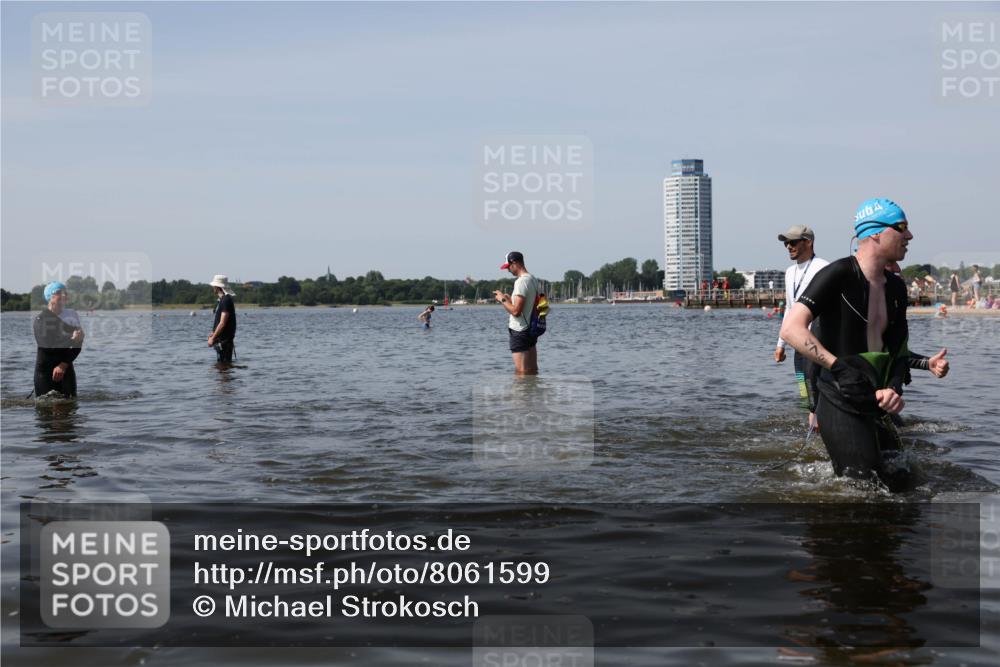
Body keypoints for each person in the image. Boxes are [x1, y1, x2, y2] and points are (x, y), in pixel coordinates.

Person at [780, 198, 917, 491]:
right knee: (864, 488)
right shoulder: (838, 274)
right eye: (902, 228)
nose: (909, 236)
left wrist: (894, 387)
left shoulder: (896, 287)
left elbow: (898, 347)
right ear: (876, 232)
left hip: (877, 399)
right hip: (838, 396)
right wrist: (837, 367)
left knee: (903, 480)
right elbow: (791, 329)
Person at [774, 225, 829, 431]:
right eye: (786, 243)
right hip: (796, 340)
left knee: (815, 381)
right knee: (802, 383)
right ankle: (812, 417)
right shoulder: (789, 273)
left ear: (808, 242)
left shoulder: (824, 267)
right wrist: (781, 344)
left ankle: (822, 419)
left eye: (793, 242)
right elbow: (790, 309)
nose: (789, 246)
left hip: (818, 338)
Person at [33, 281, 84, 398]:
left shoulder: (71, 315)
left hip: (66, 368)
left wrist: (64, 364)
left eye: (65, 292)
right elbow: (47, 346)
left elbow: (79, 342)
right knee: (47, 411)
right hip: (45, 372)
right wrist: (72, 339)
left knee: (70, 408)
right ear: (49, 297)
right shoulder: (41, 319)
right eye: (59, 292)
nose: (64, 295)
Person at [494, 251, 539, 375]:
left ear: (515, 263)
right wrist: (509, 300)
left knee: (521, 373)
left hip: (520, 332)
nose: (508, 270)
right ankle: (533, 394)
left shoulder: (521, 282)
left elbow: (516, 311)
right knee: (532, 371)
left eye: (508, 267)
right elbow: (527, 307)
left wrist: (502, 299)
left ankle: (521, 394)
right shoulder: (533, 279)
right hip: (531, 330)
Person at [207, 275, 237, 364]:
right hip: (221, 341)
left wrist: (213, 338)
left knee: (224, 370)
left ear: (217, 287)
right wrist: (213, 334)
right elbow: (219, 322)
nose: (213, 287)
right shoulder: (222, 300)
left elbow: (223, 323)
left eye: (214, 286)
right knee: (222, 369)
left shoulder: (226, 300)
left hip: (225, 342)